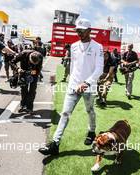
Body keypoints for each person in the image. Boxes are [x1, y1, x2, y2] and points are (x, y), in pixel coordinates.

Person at [38, 18, 104, 155]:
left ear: (89, 31)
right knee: (65, 113)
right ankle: (55, 144)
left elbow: (99, 69)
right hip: (73, 86)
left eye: (81, 30)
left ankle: (91, 131)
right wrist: (72, 82)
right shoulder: (73, 46)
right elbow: (74, 67)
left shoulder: (98, 47)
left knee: (90, 110)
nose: (79, 33)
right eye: (77, 30)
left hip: (89, 87)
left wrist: (86, 83)